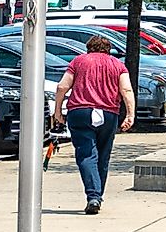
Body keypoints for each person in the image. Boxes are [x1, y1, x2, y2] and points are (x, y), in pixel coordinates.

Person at [53, 32, 134, 214]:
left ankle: (93, 196)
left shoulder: (78, 61)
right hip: (108, 113)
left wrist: (58, 110)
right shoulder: (117, 65)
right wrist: (130, 115)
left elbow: (62, 86)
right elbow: (126, 89)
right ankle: (97, 196)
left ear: (88, 48)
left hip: (80, 112)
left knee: (86, 154)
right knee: (103, 157)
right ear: (109, 50)